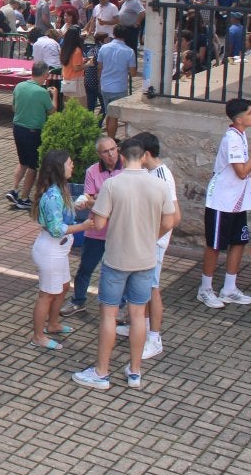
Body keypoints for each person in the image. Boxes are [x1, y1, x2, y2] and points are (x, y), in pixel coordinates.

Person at [72, 138, 176, 391]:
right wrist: (150, 237)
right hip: (145, 258)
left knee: (108, 314)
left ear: (123, 155)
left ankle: (102, 372)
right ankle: (135, 371)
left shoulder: (112, 185)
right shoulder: (159, 184)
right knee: (138, 314)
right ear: (142, 157)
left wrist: (93, 209)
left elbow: (98, 224)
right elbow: (170, 221)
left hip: (117, 258)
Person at [199, 98, 251, 309]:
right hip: (222, 201)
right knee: (215, 245)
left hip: (237, 202)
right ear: (239, 119)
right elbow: (241, 172)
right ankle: (205, 289)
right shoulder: (232, 139)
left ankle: (229, 288)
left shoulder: (241, 134)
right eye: (250, 113)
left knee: (238, 241)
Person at [30, 150, 90, 349]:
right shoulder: (53, 195)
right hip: (51, 250)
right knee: (46, 293)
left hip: (58, 250)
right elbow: (57, 229)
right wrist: (84, 226)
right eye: (70, 163)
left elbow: (62, 213)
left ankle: (53, 324)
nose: (73, 166)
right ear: (59, 167)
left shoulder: (58, 189)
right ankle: (38, 336)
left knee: (63, 286)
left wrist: (77, 206)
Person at [63, 136, 122, 317]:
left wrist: (98, 200)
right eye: (106, 151)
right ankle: (78, 300)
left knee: (119, 271)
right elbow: (87, 200)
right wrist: (98, 201)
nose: (111, 154)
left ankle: (121, 306)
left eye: (113, 149)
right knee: (86, 268)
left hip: (119, 232)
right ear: (99, 154)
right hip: (96, 230)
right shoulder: (92, 171)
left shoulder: (128, 169)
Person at [133, 132, 179, 360]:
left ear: (147, 154)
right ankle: (144, 325)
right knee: (146, 287)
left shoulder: (161, 176)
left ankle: (154, 338)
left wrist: (152, 240)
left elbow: (174, 216)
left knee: (152, 288)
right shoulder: (152, 173)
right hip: (149, 241)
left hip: (155, 243)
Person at [6, 62, 56, 209]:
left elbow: (13, 107)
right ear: (45, 75)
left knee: (23, 162)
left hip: (17, 128)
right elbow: (52, 110)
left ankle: (14, 189)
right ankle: (24, 198)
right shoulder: (42, 92)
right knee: (33, 166)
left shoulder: (19, 86)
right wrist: (55, 96)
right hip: (33, 131)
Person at [96, 24, 136, 139]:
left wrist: (100, 81)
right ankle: (111, 140)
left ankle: (109, 136)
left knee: (109, 113)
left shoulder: (104, 48)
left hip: (105, 86)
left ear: (114, 34)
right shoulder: (129, 51)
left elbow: (99, 67)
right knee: (114, 117)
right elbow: (133, 73)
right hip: (119, 87)